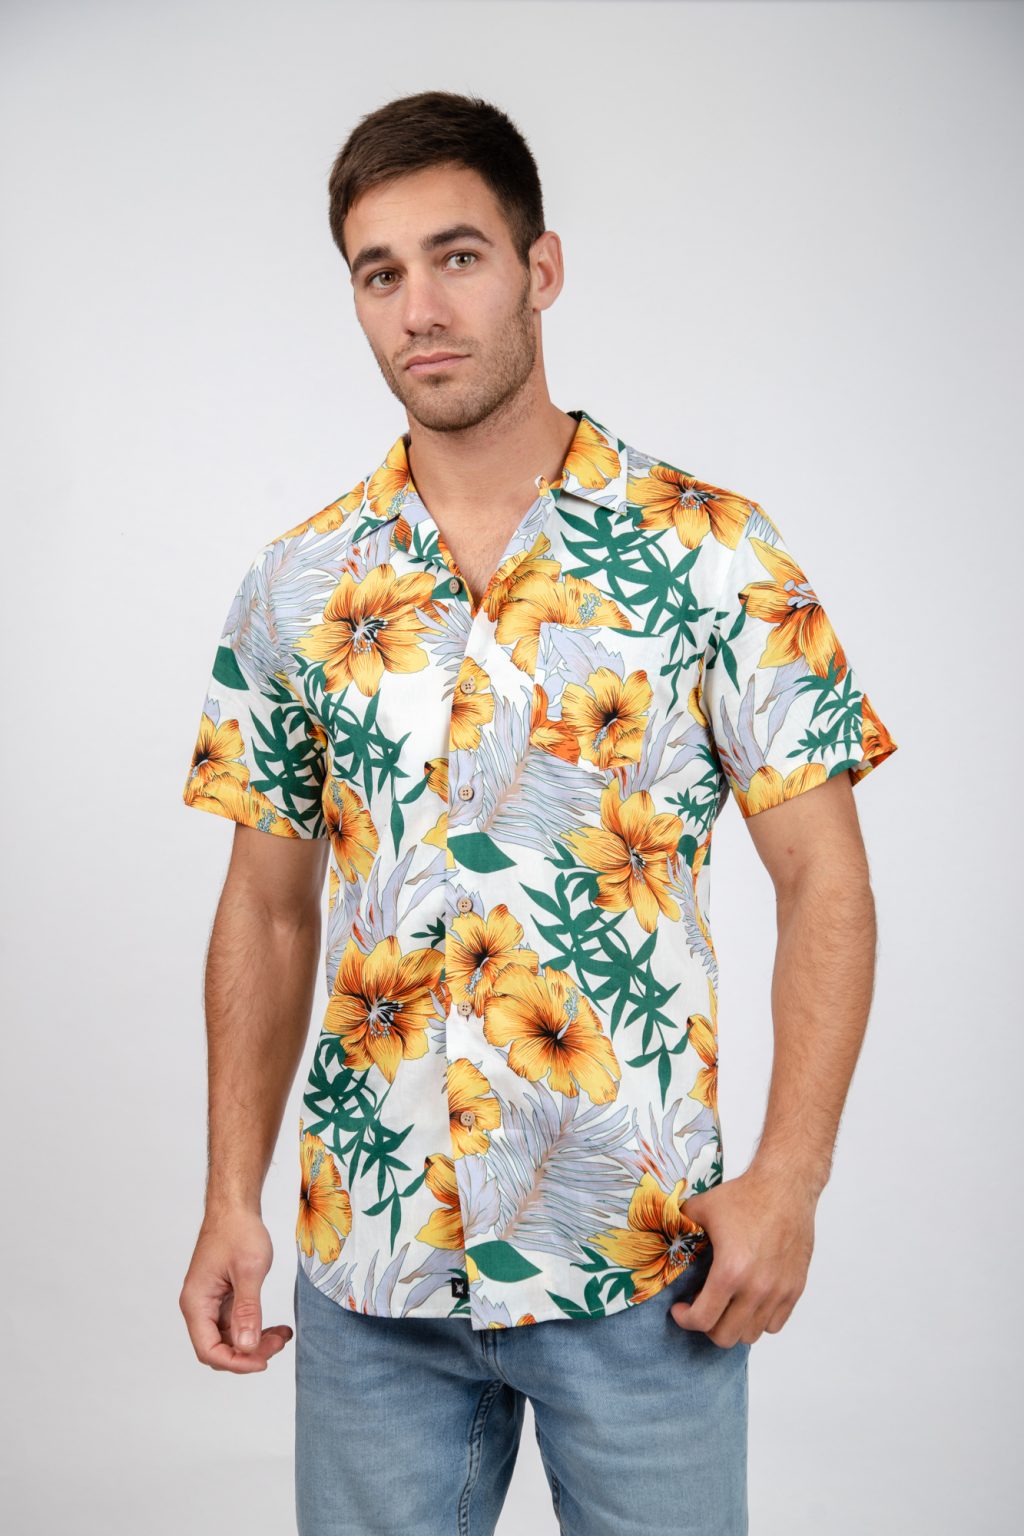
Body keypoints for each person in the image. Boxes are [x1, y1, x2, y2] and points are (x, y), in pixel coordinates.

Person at [177, 89, 898, 1536]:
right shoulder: (298, 584)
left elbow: (826, 880)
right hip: (370, 1265)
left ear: (540, 269)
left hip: (641, 1264)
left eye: (457, 257)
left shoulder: (716, 551)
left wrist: (791, 1178)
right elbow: (266, 906)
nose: (419, 309)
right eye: (379, 273)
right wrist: (229, 1196)